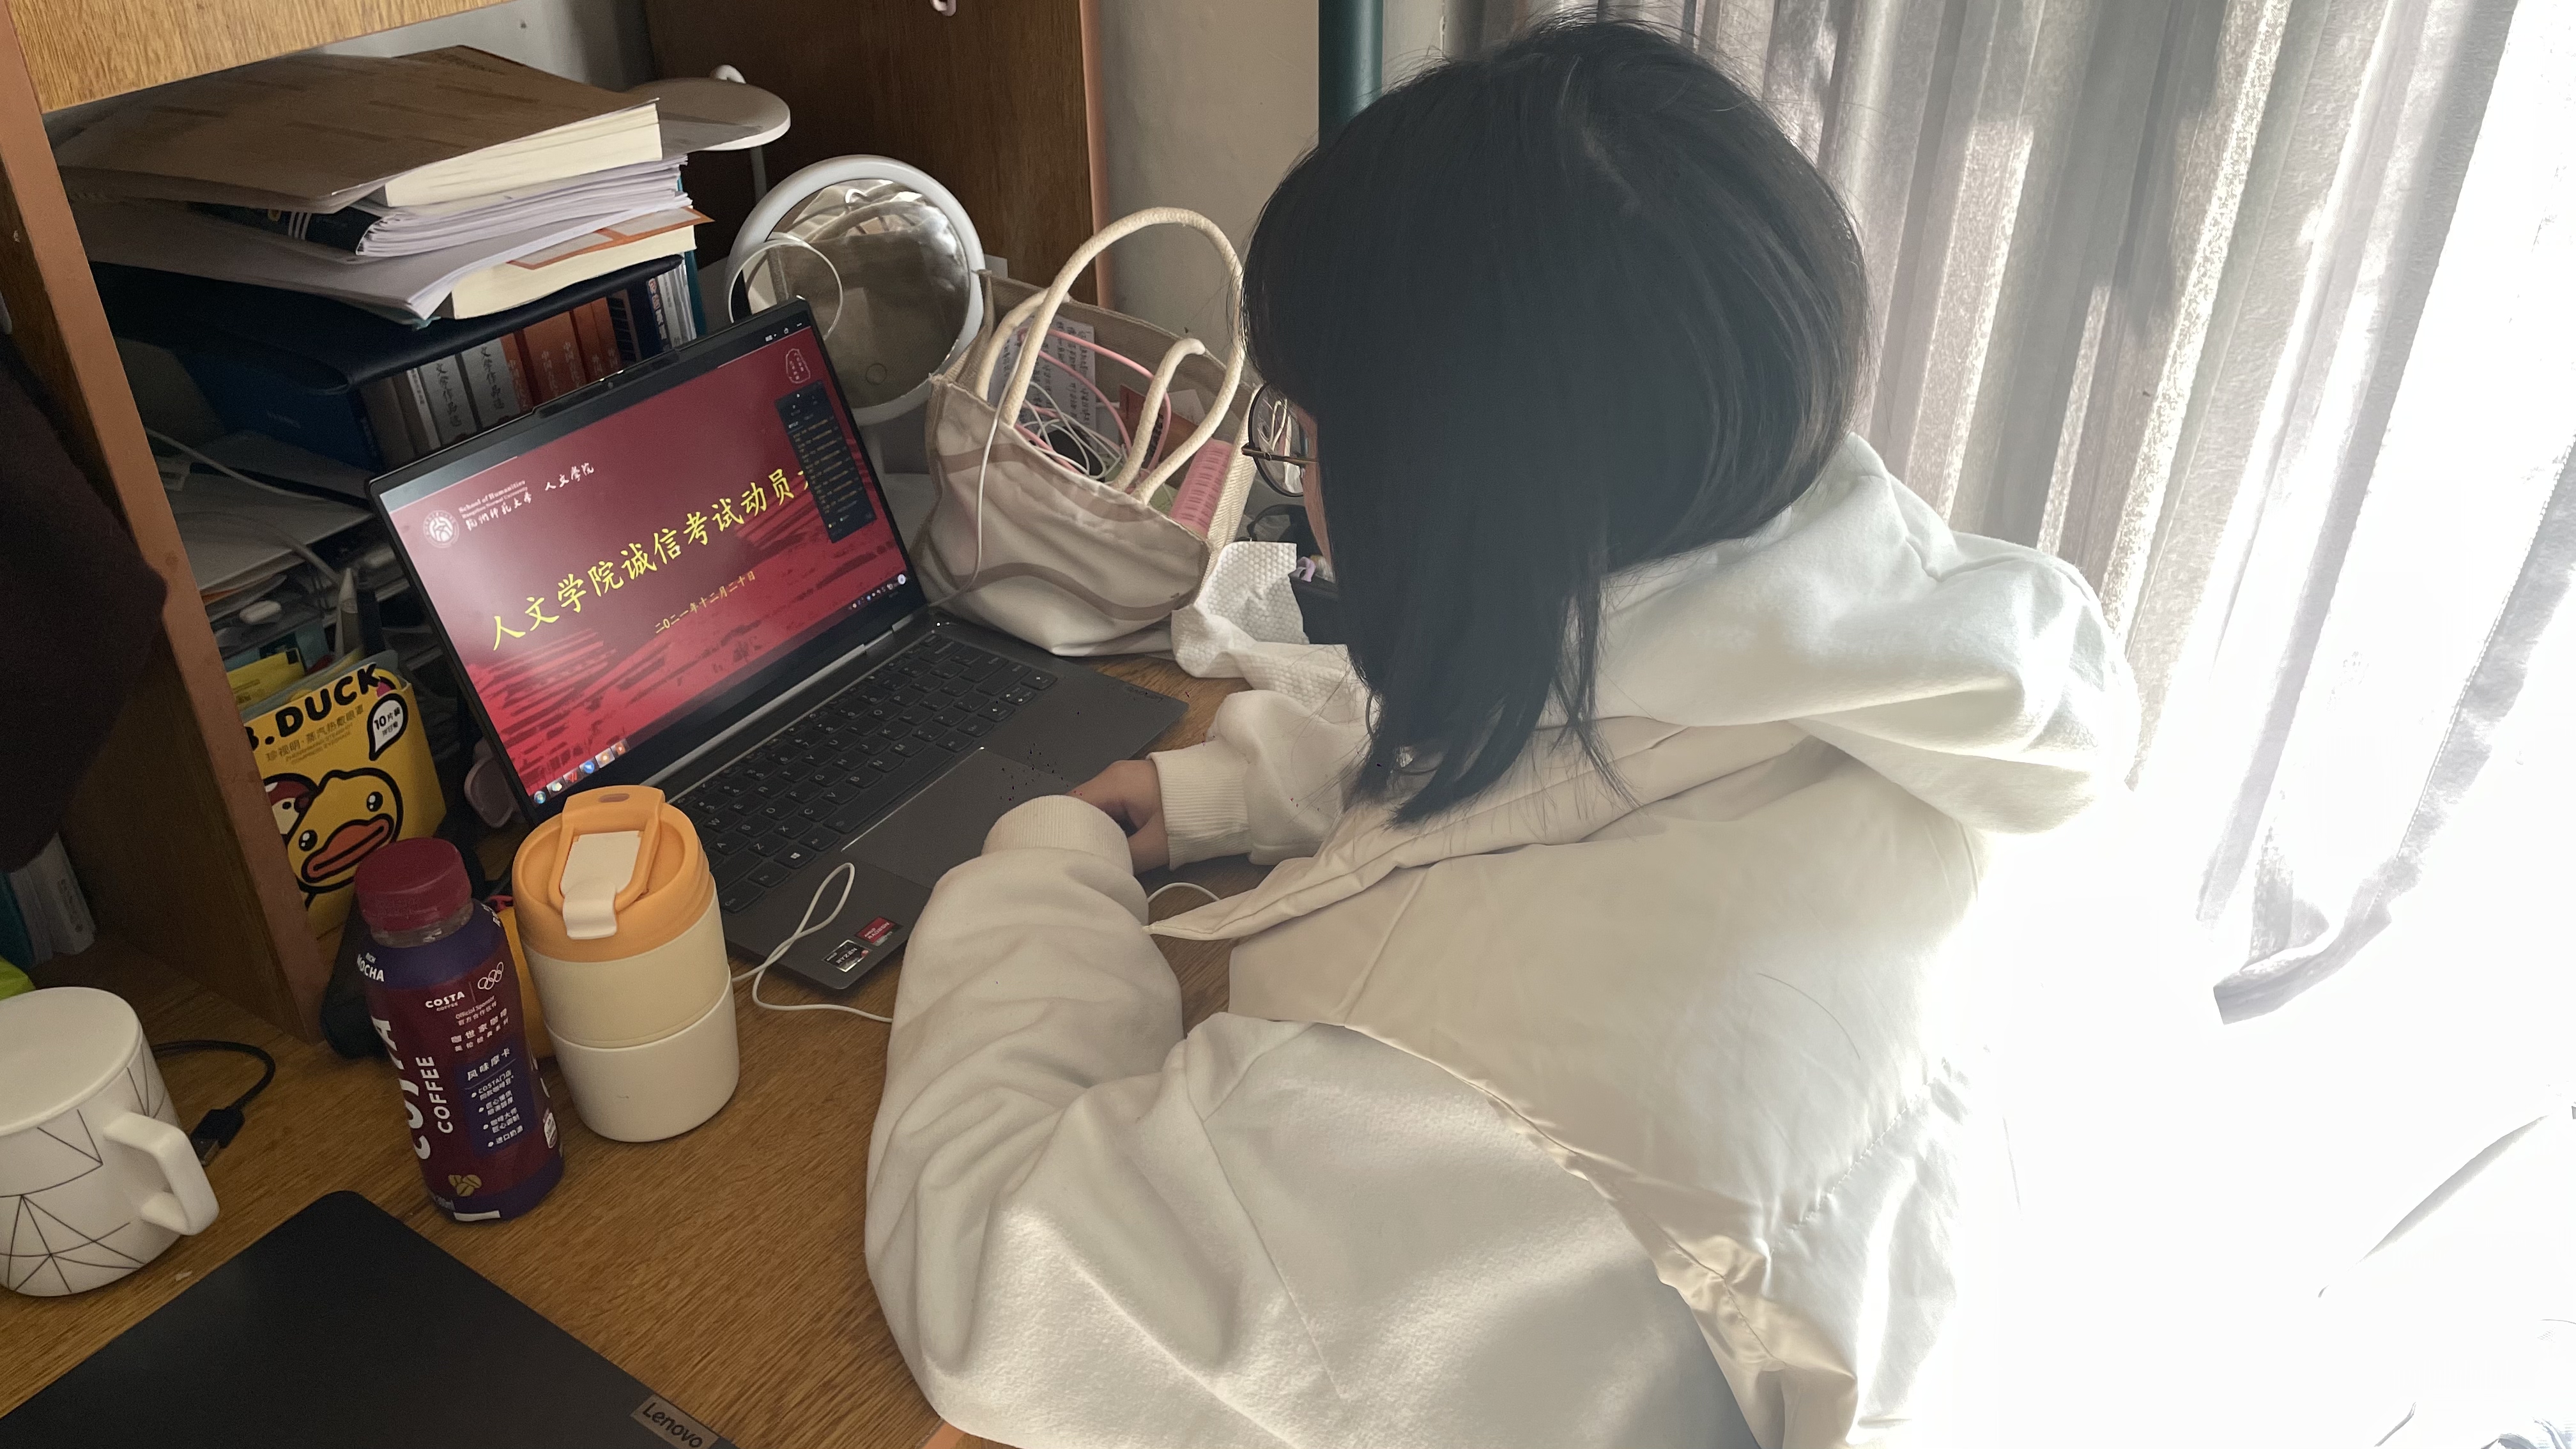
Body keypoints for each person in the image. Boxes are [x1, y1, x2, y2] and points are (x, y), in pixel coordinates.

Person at [866, 19, 2135, 1449]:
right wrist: (1245, 790)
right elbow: (1635, 749)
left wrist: (1048, 861)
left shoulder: (1432, 1099)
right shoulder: (1951, 667)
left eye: (1309, 436)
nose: (1310, 483)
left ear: (1446, 508)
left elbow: (1001, 1276)